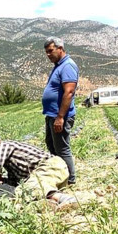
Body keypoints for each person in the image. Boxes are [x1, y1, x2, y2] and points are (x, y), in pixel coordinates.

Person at [0, 134, 77, 208]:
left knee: (28, 189)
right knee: (23, 191)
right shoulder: (9, 162)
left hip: (51, 167)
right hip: (51, 174)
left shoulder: (4, 146)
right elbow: (15, 182)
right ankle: (49, 203)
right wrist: (3, 180)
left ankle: (66, 199)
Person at [42, 36, 78, 184]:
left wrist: (60, 117)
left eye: (50, 51)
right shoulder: (58, 65)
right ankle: (60, 175)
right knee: (52, 146)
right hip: (52, 115)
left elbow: (69, 92)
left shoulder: (68, 65)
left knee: (62, 149)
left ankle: (70, 180)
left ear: (60, 49)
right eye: (46, 52)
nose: (48, 55)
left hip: (60, 116)